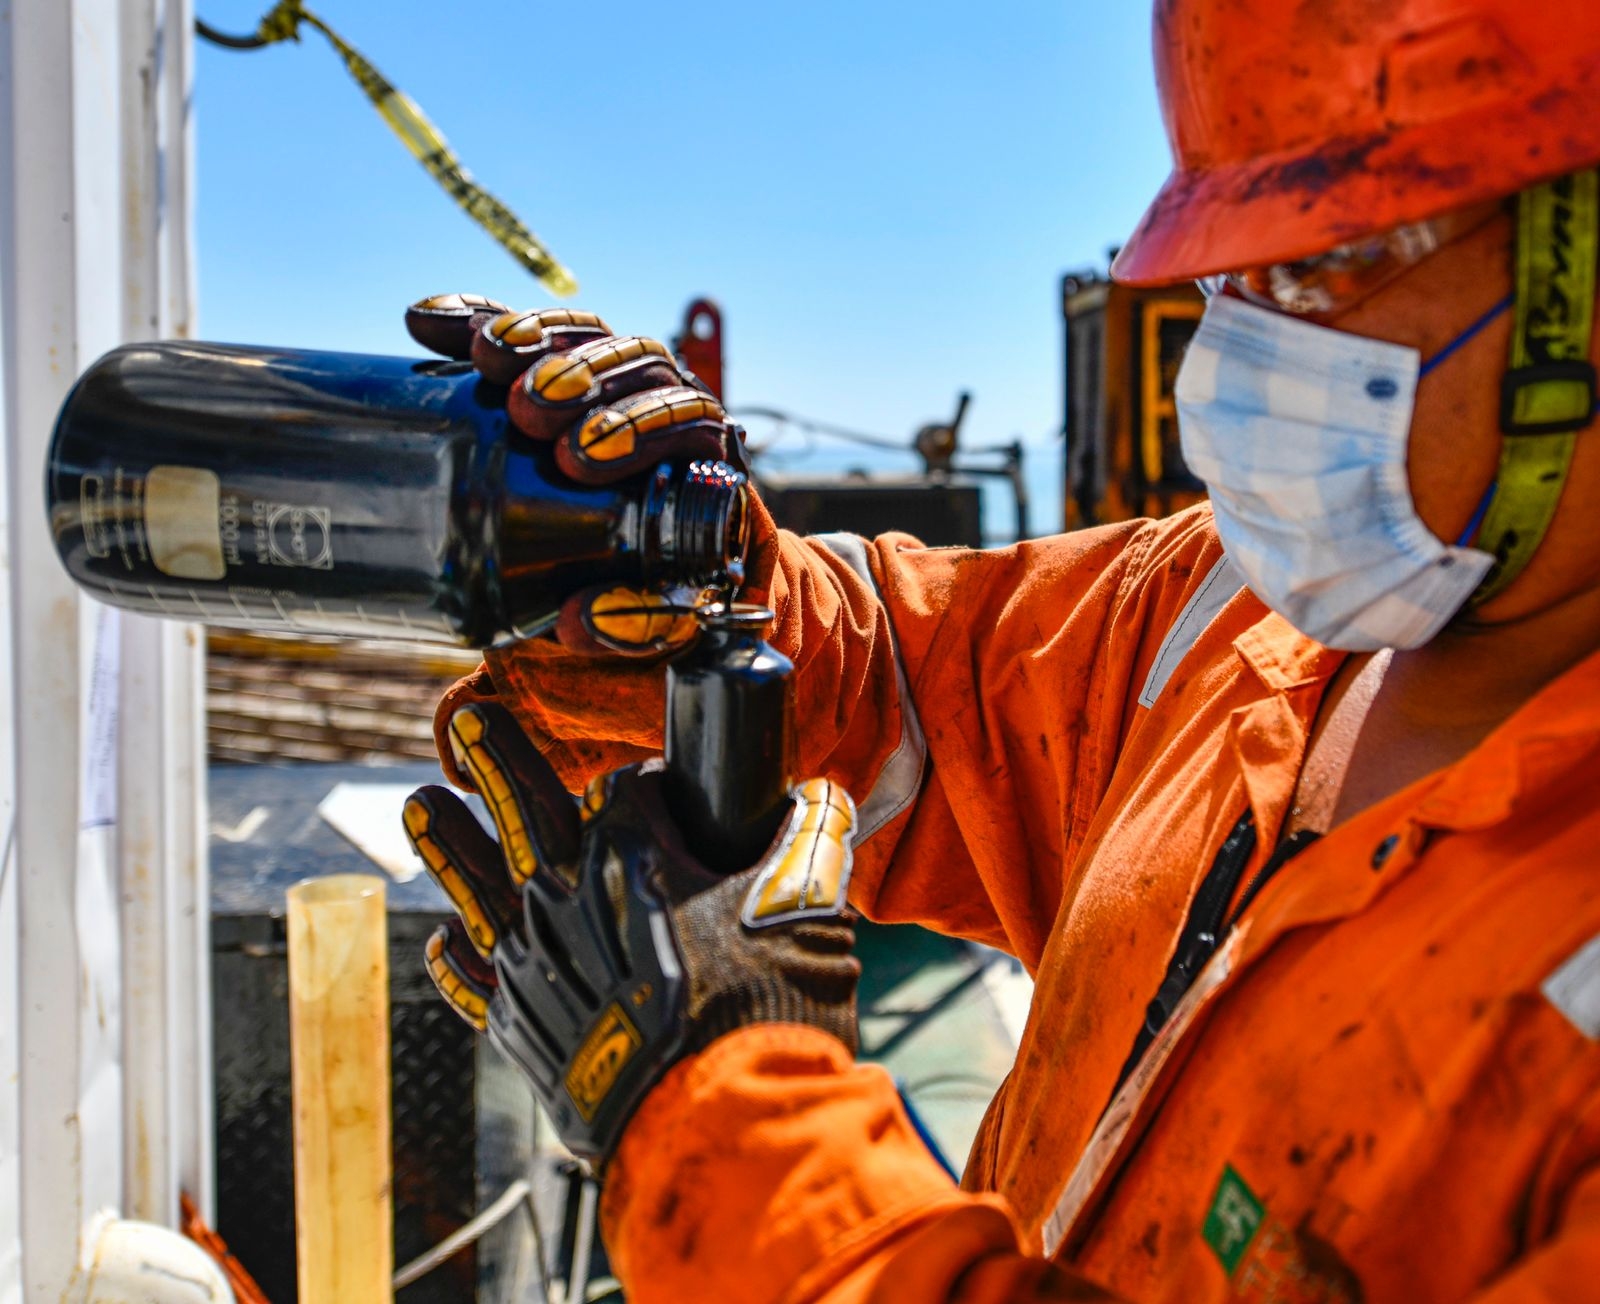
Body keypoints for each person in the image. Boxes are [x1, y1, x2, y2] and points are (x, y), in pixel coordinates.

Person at [402, 2, 1600, 1298]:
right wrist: (665, 578)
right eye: (1228, 277)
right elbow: (916, 680)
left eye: (1325, 266)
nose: (1249, 346)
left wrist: (727, 1125)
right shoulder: (1232, 617)